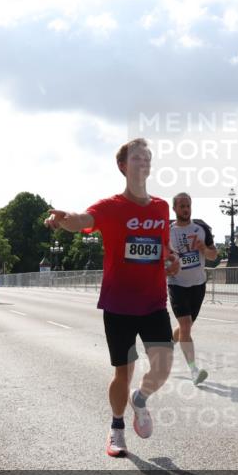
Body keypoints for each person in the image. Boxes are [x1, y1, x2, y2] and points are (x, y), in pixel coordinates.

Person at [45, 138, 180, 458]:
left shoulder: (161, 207)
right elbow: (81, 221)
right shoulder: (110, 207)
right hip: (118, 304)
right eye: (137, 157)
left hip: (153, 302)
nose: (143, 161)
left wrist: (171, 260)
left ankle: (140, 400)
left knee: (162, 368)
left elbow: (164, 248)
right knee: (124, 371)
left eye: (148, 157)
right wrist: (64, 218)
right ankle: (117, 428)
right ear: (123, 166)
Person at [168, 192, 217, 385]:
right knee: (186, 326)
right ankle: (193, 370)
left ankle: (165, 348)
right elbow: (161, 256)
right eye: (182, 206)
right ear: (174, 209)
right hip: (177, 284)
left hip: (198, 285)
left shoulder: (201, 228)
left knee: (184, 329)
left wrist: (203, 249)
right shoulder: (167, 231)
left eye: (188, 205)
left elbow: (213, 255)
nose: (186, 209)